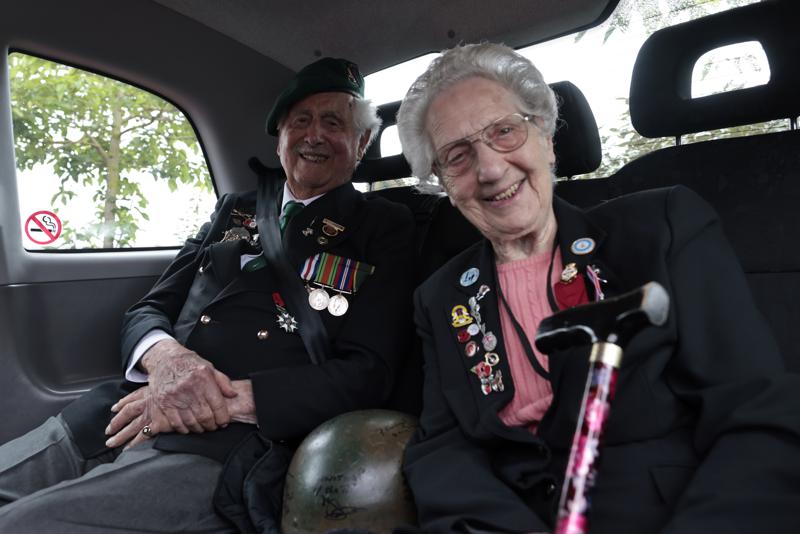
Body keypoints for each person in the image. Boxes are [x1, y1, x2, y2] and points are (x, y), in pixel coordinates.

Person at [395, 42, 800, 533]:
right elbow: (443, 446)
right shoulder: (439, 296)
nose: (490, 169)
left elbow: (755, 412)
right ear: (442, 183)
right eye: (457, 156)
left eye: (505, 131)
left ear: (545, 135)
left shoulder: (660, 227)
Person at [0, 57, 416, 533]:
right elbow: (150, 308)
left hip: (224, 441)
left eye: (333, 123)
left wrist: (218, 400)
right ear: (280, 137)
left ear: (362, 143)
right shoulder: (234, 210)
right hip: (123, 407)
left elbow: (369, 372)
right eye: (300, 120)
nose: (314, 135)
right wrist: (169, 364)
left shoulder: (382, 226)